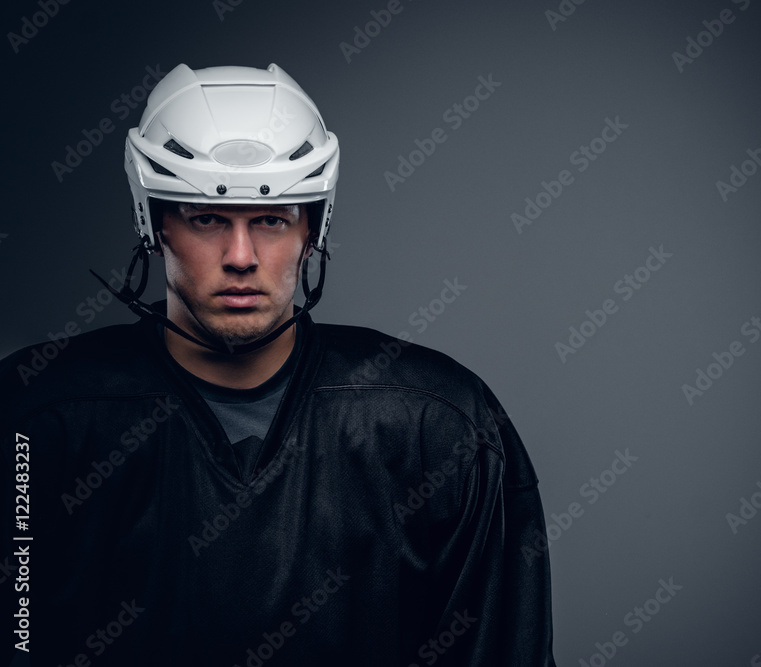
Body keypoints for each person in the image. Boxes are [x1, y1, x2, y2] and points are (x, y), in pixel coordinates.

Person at [1, 63, 556, 666]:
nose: (241, 257)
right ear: (153, 222)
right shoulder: (35, 420)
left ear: (314, 227)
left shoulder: (438, 425)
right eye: (206, 217)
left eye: (271, 218)